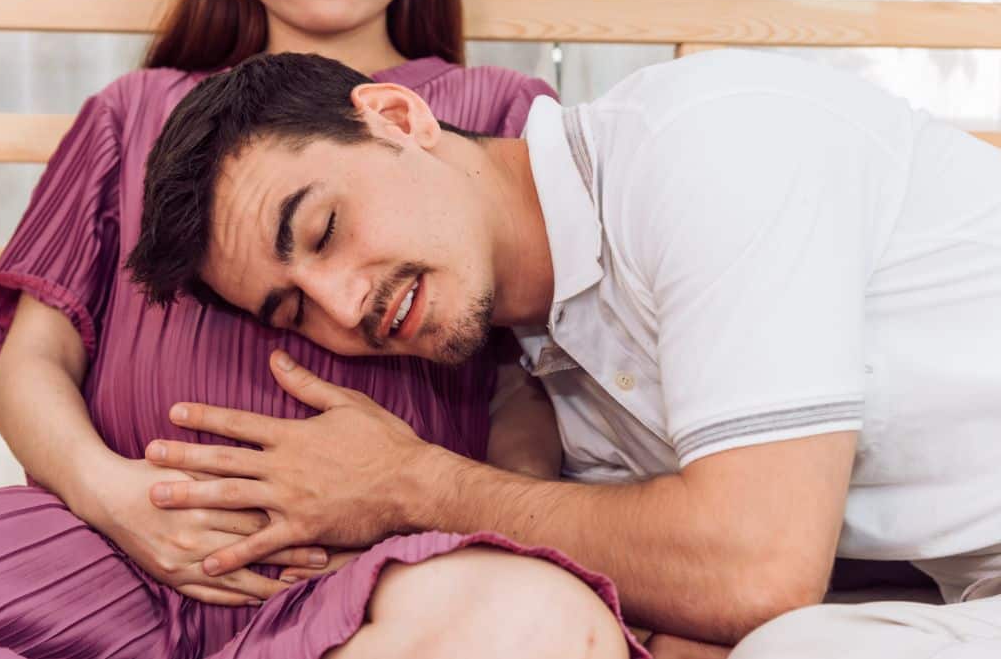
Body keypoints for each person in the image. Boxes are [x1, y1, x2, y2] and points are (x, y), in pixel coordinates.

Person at [128, 47, 1001, 658]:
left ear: (397, 117)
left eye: (323, 228)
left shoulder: (704, 147)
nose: (346, 305)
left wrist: (410, 485)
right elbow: (697, 595)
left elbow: (756, 564)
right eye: (293, 312)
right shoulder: (551, 369)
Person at [0, 0, 647, 658]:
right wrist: (111, 496)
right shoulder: (130, 112)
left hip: (371, 582)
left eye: (326, 227)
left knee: (525, 616)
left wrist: (463, 527)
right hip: (108, 559)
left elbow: (536, 381)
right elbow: (34, 360)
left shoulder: (497, 114)